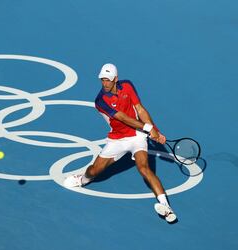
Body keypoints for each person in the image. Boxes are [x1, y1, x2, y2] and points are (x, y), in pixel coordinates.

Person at [64, 63, 177, 223]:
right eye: (102, 80)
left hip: (137, 137)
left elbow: (140, 109)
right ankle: (82, 179)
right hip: (117, 140)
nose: (104, 83)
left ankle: (166, 207)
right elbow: (123, 118)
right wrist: (148, 128)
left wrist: (155, 131)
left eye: (108, 80)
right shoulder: (100, 100)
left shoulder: (128, 86)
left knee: (144, 168)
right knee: (94, 171)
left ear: (115, 79)